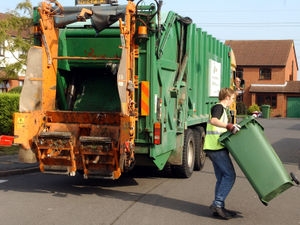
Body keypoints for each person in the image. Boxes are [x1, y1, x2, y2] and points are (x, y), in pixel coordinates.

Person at [203, 88, 241, 220]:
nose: (232, 101)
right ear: (227, 97)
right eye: (232, 98)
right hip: (216, 148)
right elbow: (214, 121)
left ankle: (219, 206)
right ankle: (217, 204)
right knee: (230, 175)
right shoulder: (218, 107)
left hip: (214, 147)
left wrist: (231, 128)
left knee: (222, 177)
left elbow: (218, 126)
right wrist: (229, 126)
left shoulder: (222, 110)